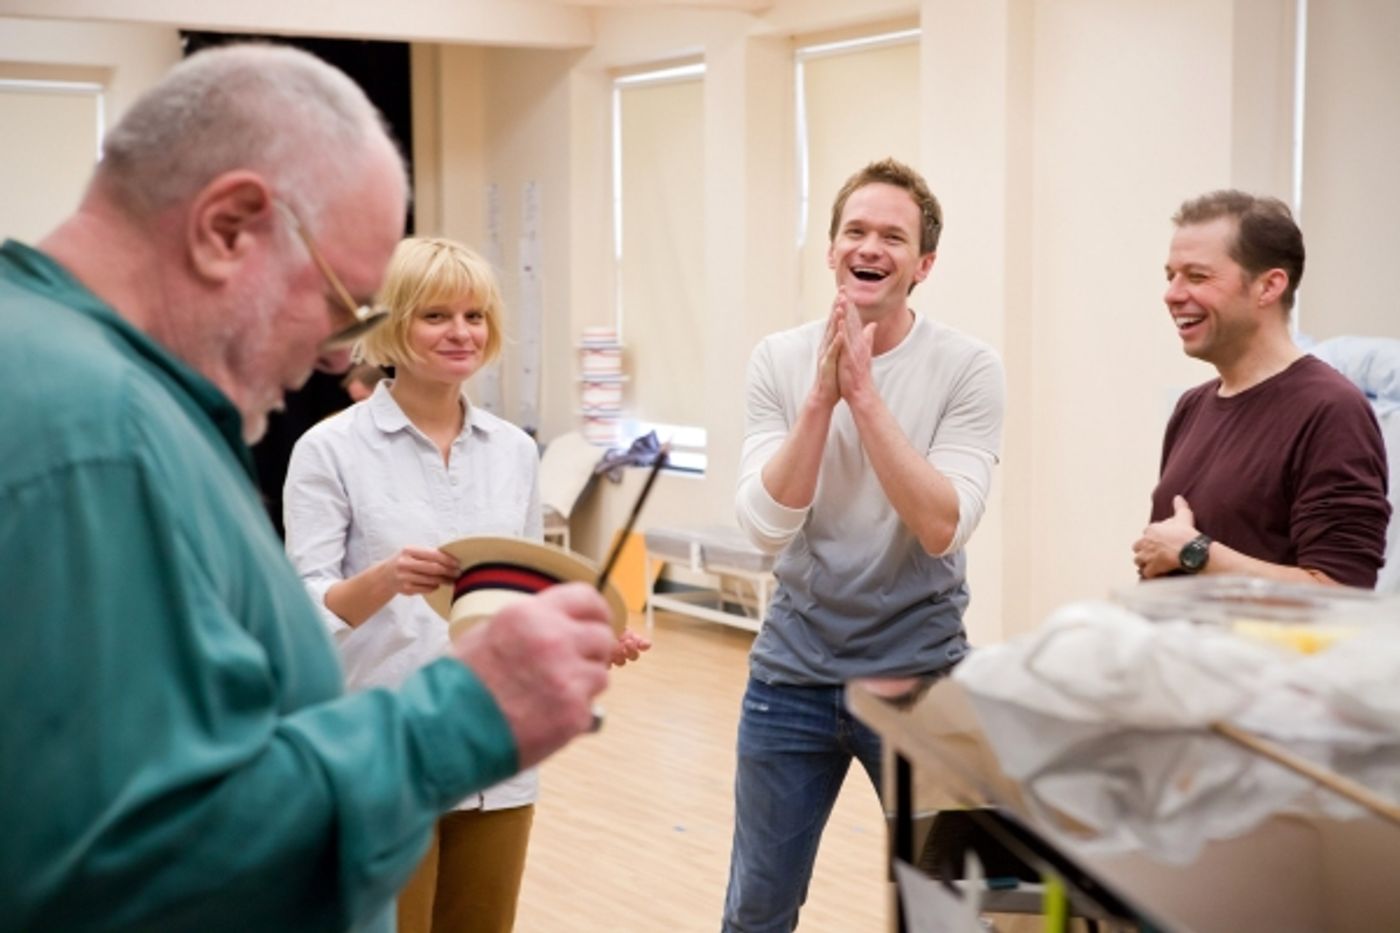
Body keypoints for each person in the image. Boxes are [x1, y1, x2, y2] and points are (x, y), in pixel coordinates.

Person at [0, 44, 616, 933]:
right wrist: (457, 718)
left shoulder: (99, 392)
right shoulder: (94, 434)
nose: (340, 355)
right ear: (226, 228)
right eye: (346, 303)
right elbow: (132, 860)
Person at [284, 236, 649, 933]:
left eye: (475, 315)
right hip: (385, 749)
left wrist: (590, 632)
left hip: (497, 749)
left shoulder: (513, 451)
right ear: (393, 325)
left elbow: (527, 592)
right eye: (437, 316)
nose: (461, 332)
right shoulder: (328, 450)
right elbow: (305, 607)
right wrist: (386, 578)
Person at [726, 157, 1006, 931]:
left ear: (924, 263)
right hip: (792, 678)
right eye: (856, 230)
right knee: (757, 906)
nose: (870, 245)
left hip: (922, 679)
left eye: (892, 234)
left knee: (949, 911)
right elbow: (763, 525)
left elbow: (942, 523)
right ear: (830, 250)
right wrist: (822, 394)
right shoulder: (778, 361)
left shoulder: (968, 368)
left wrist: (866, 395)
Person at [1131, 190, 1390, 587]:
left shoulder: (1331, 410)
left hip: (1260, 652)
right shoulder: (1192, 407)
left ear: (1269, 287)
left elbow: (1341, 593)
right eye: (1171, 276)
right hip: (1174, 649)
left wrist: (1195, 552)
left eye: (1197, 276)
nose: (1172, 294)